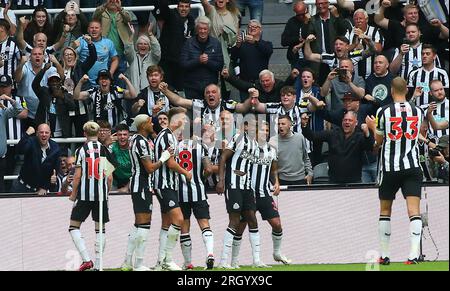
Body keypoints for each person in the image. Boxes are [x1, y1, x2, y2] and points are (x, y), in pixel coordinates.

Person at [365, 77, 425, 265]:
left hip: (390, 168)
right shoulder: (418, 111)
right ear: (406, 90)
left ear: (391, 91)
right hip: (412, 166)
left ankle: (385, 255)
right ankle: (414, 255)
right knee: (414, 211)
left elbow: (379, 141)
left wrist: (372, 127)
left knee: (385, 210)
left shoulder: (383, 111)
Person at [230, 120, 291, 268]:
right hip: (248, 193)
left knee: (277, 224)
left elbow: (273, 169)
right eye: (262, 130)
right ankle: (234, 260)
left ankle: (277, 253)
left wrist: (275, 182)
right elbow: (238, 164)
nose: (265, 132)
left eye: (267, 130)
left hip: (264, 193)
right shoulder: (250, 148)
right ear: (256, 132)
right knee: (241, 227)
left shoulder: (272, 150)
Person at [121, 114, 173, 271]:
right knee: (144, 224)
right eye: (150, 122)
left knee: (138, 225)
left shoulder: (139, 140)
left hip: (140, 185)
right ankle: (138, 264)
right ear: (143, 125)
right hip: (141, 185)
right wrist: (164, 157)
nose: (153, 124)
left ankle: (127, 262)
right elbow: (149, 168)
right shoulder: (140, 141)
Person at [216, 116, 265, 268]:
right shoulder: (238, 138)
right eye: (249, 126)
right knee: (235, 221)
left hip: (247, 186)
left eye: (255, 126)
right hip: (233, 184)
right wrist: (221, 180)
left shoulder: (255, 144)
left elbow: (251, 162)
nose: (252, 128)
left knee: (252, 218)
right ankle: (223, 262)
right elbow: (223, 157)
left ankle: (255, 260)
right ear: (244, 127)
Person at [68, 121, 117, 271]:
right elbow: (109, 177)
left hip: (84, 195)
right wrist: (106, 192)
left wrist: (73, 194)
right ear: (97, 134)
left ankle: (86, 260)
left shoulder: (81, 150)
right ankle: (99, 265)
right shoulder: (104, 149)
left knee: (73, 227)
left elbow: (77, 176)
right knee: (100, 229)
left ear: (84, 134)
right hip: (101, 195)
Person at [153, 107, 193, 271]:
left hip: (168, 184)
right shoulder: (167, 136)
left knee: (166, 223)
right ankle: (168, 259)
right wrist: (186, 173)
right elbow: (169, 163)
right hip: (165, 184)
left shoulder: (170, 136)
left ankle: (160, 262)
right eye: (183, 119)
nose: (185, 122)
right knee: (178, 219)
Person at [302, 110, 374, 184]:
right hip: (334, 181)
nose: (347, 122)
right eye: (345, 120)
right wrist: (304, 125)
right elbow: (313, 136)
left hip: (354, 181)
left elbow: (370, 147)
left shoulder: (360, 136)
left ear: (356, 123)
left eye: (350, 120)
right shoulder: (333, 133)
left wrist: (367, 133)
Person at [177, 132, 215, 270]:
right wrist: (202, 178)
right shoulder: (201, 146)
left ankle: (187, 263)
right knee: (204, 224)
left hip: (181, 193)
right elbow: (209, 169)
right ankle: (210, 253)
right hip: (198, 191)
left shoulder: (176, 146)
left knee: (184, 227)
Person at [154, 0, 195, 92]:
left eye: (186, 6)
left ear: (190, 8)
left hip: (181, 63)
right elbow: (163, 6)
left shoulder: (191, 21)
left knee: (180, 90)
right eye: (181, 6)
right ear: (177, 7)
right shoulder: (171, 16)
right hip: (167, 61)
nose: (183, 9)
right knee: (166, 89)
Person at [179, 16, 224, 99]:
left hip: (210, 88)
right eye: (200, 29)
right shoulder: (188, 43)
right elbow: (183, 64)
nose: (202, 31)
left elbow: (220, 65)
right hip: (191, 87)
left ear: (209, 30)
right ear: (196, 29)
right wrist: (198, 60)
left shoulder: (216, 43)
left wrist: (208, 62)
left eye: (205, 29)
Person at [62, 36, 97, 137]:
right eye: (66, 55)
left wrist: (90, 43)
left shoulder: (80, 67)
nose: (69, 57)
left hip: (81, 108)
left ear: (75, 56)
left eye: (71, 54)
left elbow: (93, 58)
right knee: (66, 136)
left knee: (81, 135)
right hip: (65, 110)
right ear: (63, 57)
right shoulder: (59, 69)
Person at [11, 124, 61, 195]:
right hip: (22, 187)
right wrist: (26, 134)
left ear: (50, 134)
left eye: (46, 132)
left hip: (41, 191)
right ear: (37, 133)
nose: (44, 135)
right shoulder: (31, 142)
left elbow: (55, 170)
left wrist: (45, 187)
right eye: (41, 132)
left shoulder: (55, 148)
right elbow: (20, 149)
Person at [93, 0, 133, 87]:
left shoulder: (123, 12)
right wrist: (104, 5)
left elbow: (129, 19)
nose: (113, 1)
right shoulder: (102, 12)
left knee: (120, 80)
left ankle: (119, 99)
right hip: (105, 52)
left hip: (120, 52)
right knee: (104, 79)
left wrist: (120, 8)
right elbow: (94, 18)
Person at [269, 115, 313, 185]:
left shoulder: (299, 138)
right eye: (278, 124)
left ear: (290, 125)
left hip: (301, 179)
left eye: (283, 124)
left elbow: (306, 158)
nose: (280, 126)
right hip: (282, 180)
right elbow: (272, 165)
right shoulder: (273, 141)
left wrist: (310, 173)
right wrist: (275, 181)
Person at [75, 19, 119, 87]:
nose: (94, 30)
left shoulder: (108, 42)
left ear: (101, 30)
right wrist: (74, 45)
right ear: (88, 30)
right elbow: (71, 53)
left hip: (103, 81)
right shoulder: (81, 40)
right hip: (85, 81)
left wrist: (110, 73)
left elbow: (115, 59)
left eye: (96, 28)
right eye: (92, 28)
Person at [230, 19, 273, 85]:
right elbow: (233, 57)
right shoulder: (242, 44)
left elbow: (268, 51)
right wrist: (237, 46)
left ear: (260, 30)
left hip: (261, 82)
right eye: (249, 27)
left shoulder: (266, 44)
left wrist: (255, 42)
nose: (252, 28)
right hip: (244, 82)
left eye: (255, 27)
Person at [221, 68, 297, 103]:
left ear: (273, 80)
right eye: (262, 81)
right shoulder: (256, 86)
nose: (265, 83)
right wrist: (228, 77)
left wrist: (292, 77)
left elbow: (287, 85)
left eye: (267, 81)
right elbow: (241, 85)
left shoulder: (279, 85)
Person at [346, 9, 384, 79]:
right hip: (353, 75)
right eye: (356, 19)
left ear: (366, 20)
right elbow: (344, 49)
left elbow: (378, 49)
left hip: (371, 74)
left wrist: (363, 37)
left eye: (360, 18)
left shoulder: (375, 31)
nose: (358, 21)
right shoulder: (349, 31)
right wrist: (354, 45)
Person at [125, 24, 161, 93]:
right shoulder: (132, 57)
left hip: (149, 94)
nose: (143, 46)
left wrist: (150, 34)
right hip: (134, 94)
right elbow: (128, 50)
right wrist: (132, 35)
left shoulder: (153, 58)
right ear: (137, 46)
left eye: (145, 44)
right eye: (140, 44)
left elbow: (157, 49)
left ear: (149, 46)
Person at [0, 86, 23, 192]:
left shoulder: (2, 113)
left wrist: (8, 99)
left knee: (1, 186)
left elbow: (19, 109)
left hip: (1, 158)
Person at [281, 0, 313, 70]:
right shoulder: (291, 22)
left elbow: (312, 36)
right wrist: (297, 39)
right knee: (295, 78)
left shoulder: (312, 21)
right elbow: (284, 41)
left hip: (310, 57)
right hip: (295, 58)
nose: (301, 17)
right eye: (298, 15)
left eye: (302, 14)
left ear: (306, 11)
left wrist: (306, 23)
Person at [110, 123, 132, 192]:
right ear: (116, 136)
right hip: (116, 180)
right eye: (119, 135)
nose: (122, 137)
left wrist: (127, 187)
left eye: (125, 134)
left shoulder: (133, 148)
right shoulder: (112, 147)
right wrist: (107, 141)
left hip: (132, 180)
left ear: (129, 135)